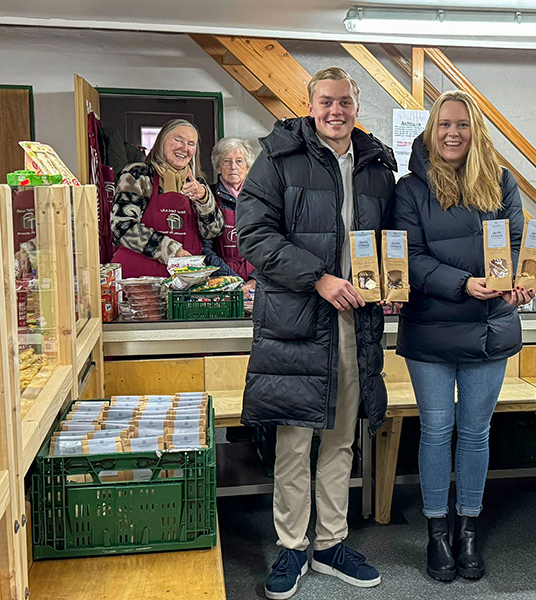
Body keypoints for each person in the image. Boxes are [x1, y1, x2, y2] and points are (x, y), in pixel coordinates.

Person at [236, 67, 396, 600]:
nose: (336, 111)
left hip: (357, 319)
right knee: (293, 439)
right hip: (296, 321)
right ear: (310, 106)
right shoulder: (278, 158)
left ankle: (329, 544)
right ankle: (290, 546)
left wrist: (392, 284)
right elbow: (254, 235)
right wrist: (318, 278)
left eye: (345, 102)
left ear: (357, 106)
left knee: (340, 439)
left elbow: (390, 239)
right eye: (326, 101)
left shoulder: (376, 165)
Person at [392, 90, 531, 583]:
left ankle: (467, 528)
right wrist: (462, 284)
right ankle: (436, 531)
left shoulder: (500, 181)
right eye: (444, 124)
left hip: (491, 326)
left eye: (463, 125)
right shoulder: (410, 189)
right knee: (436, 431)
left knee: (474, 433)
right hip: (431, 325)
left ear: (476, 131)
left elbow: (515, 245)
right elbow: (407, 256)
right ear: (431, 130)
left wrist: (520, 282)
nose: (453, 133)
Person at [110, 119, 223, 277]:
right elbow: (122, 227)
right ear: (162, 141)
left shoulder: (197, 183)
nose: (184, 148)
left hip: (184, 282)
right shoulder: (138, 175)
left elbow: (213, 232)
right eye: (178, 140)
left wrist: (204, 200)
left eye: (191, 143)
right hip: (139, 280)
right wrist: (172, 251)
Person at [203, 137, 257, 292]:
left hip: (257, 284)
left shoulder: (260, 198)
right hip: (221, 282)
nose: (233, 167)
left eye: (239, 161)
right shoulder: (208, 197)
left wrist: (256, 279)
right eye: (226, 161)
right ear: (218, 166)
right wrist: (231, 279)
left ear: (247, 166)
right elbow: (204, 248)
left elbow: (271, 245)